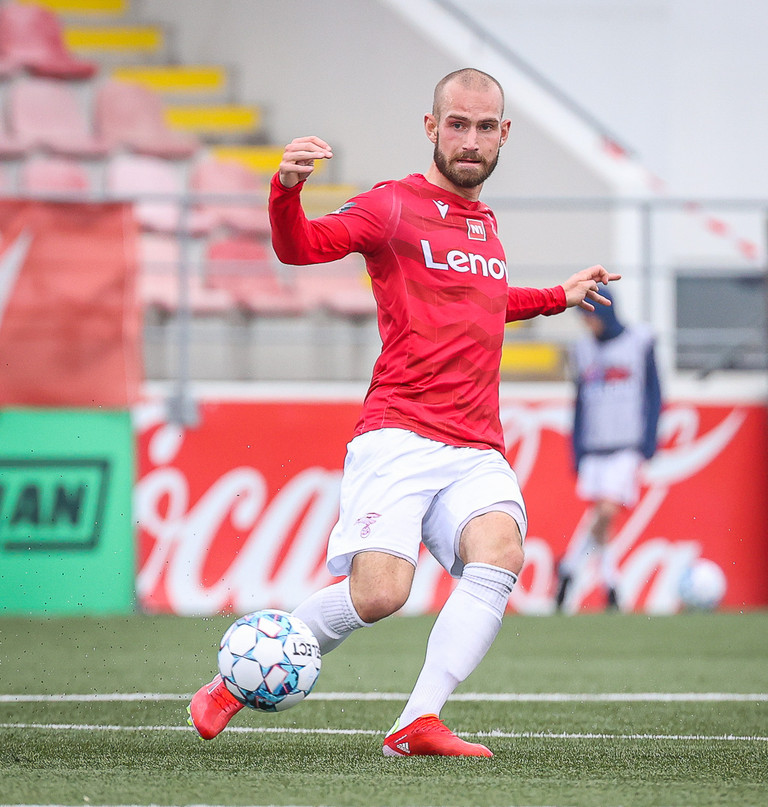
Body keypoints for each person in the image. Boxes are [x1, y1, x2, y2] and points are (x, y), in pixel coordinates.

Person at [189, 68, 619, 757]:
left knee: (501, 552)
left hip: (475, 445)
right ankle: (234, 681)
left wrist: (553, 298)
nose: (470, 139)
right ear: (431, 127)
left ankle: (418, 721)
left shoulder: (484, 225)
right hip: (399, 433)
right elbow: (299, 248)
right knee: (381, 593)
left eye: (485, 127)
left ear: (503, 134)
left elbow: (483, 302)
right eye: (458, 124)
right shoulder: (392, 205)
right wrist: (286, 191)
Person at [555, 289, 661, 612]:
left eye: (589, 316)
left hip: (625, 444)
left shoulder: (640, 341)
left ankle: (570, 567)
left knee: (605, 511)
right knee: (601, 519)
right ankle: (610, 584)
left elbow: (654, 393)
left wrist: (650, 439)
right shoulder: (582, 349)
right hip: (594, 445)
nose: (586, 324)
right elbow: (579, 402)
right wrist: (576, 449)